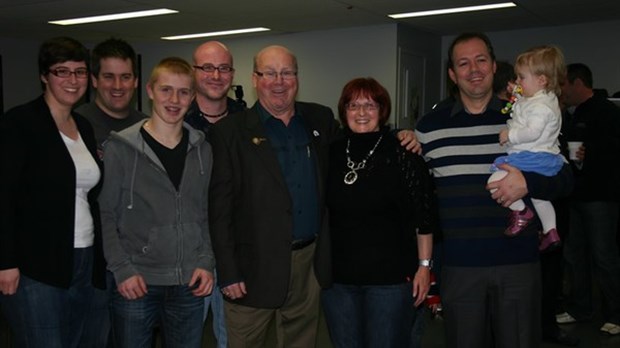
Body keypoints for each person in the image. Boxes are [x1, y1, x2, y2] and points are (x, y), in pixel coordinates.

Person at [415, 32, 573, 348]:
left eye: (481, 60)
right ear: (452, 74)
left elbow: (567, 180)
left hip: (518, 264)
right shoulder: (429, 128)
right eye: (463, 63)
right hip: (460, 267)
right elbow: (417, 195)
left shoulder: (524, 116)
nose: (474, 69)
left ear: (493, 66)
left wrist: (529, 183)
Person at [99, 57, 215, 347]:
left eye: (183, 92)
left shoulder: (203, 149)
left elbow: (206, 212)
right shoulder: (120, 148)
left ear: (193, 96)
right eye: (166, 90)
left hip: (189, 282)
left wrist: (206, 261)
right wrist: (122, 270)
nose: (174, 100)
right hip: (137, 281)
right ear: (150, 90)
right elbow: (106, 214)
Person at [0, 36, 106, 348]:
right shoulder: (19, 123)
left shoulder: (83, 126)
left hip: (85, 257)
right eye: (62, 71)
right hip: (36, 265)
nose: (73, 81)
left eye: (80, 72)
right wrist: (5, 262)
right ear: (44, 76)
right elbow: (3, 197)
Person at [321, 77, 438, 347]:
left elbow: (424, 218)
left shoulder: (404, 153)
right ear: (344, 111)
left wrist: (424, 268)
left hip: (390, 282)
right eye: (353, 105)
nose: (361, 113)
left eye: (370, 105)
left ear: (382, 110)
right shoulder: (331, 153)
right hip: (338, 283)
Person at [74, 36, 147, 348]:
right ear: (94, 80)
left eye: (125, 76)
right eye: (108, 76)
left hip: (136, 259)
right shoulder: (74, 125)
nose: (118, 86)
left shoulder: (148, 127)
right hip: (89, 261)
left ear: (136, 81)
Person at [184, 40, 246, 348]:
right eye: (207, 67)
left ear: (233, 74)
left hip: (236, 246)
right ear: (193, 71)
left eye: (223, 68)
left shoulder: (247, 121)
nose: (216, 75)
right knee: (185, 335)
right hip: (190, 248)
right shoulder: (175, 120)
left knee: (232, 337)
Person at [556, 63, 620, 336]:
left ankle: (616, 313)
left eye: (565, 85)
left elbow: (613, 153)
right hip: (575, 196)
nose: (562, 91)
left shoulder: (608, 112)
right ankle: (581, 307)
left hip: (600, 198)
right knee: (574, 255)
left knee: (604, 256)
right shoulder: (571, 115)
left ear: (578, 83)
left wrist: (588, 153)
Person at [488, 45, 566, 252]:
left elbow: (532, 132)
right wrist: (518, 92)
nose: (518, 82)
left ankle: (521, 212)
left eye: (522, 78)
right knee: (540, 197)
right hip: (545, 157)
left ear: (541, 81)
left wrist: (509, 135)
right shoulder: (543, 99)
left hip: (531, 156)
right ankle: (550, 230)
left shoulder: (540, 108)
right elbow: (526, 103)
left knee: (495, 180)